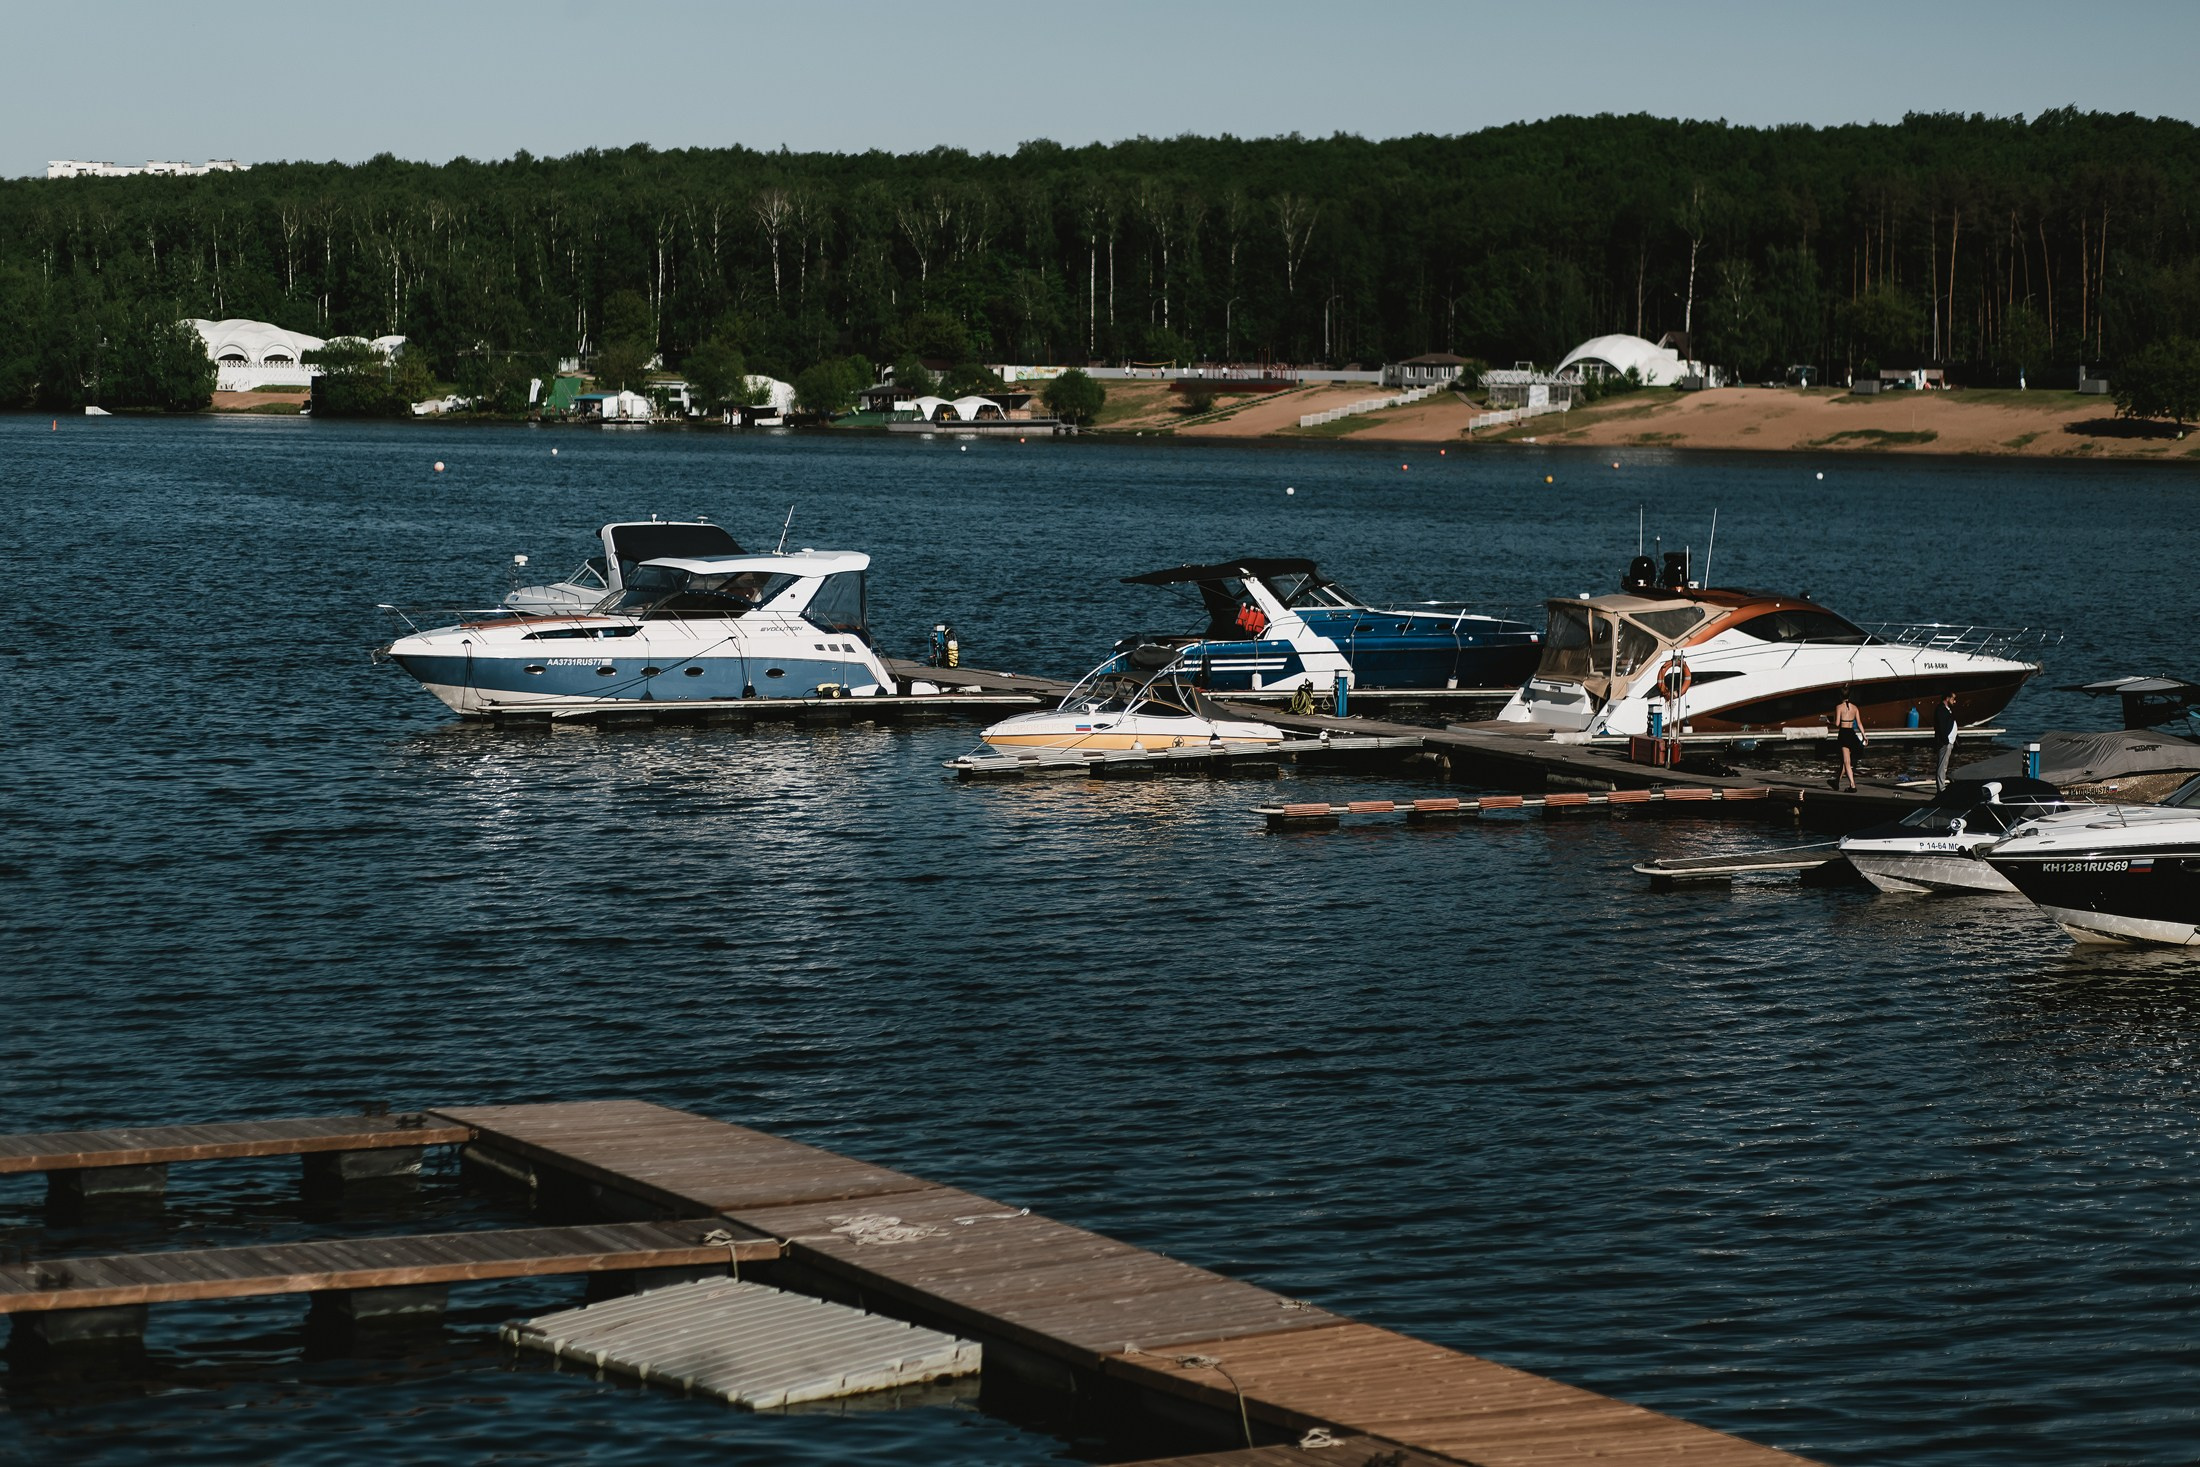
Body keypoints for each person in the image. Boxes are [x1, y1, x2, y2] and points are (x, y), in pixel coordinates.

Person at [1831, 688, 1867, 790]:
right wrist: (1864, 736)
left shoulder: (1839, 707)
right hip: (1851, 734)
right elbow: (1859, 723)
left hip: (1843, 734)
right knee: (1844, 761)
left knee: (1846, 762)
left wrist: (1829, 722)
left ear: (1839, 696)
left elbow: (1837, 723)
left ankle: (1852, 785)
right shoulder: (1855, 708)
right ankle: (1836, 782)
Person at [1932, 689, 1959, 791]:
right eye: (1953, 699)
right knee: (1942, 766)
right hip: (1944, 742)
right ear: (1947, 699)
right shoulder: (1941, 710)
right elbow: (1941, 727)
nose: (1954, 701)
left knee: (1945, 765)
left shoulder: (1947, 709)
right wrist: (1945, 740)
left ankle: (1942, 785)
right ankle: (1941, 788)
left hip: (1949, 742)